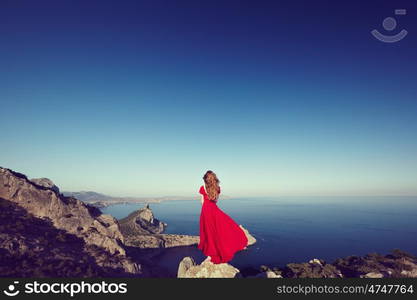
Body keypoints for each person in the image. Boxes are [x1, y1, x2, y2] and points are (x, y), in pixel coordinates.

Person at [198, 170, 248, 264]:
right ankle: (225, 248)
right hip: (214, 211)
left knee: (209, 233)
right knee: (223, 229)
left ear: (206, 180)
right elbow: (215, 200)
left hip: (205, 212)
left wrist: (205, 210)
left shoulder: (203, 188)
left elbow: (202, 202)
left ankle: (210, 254)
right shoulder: (217, 188)